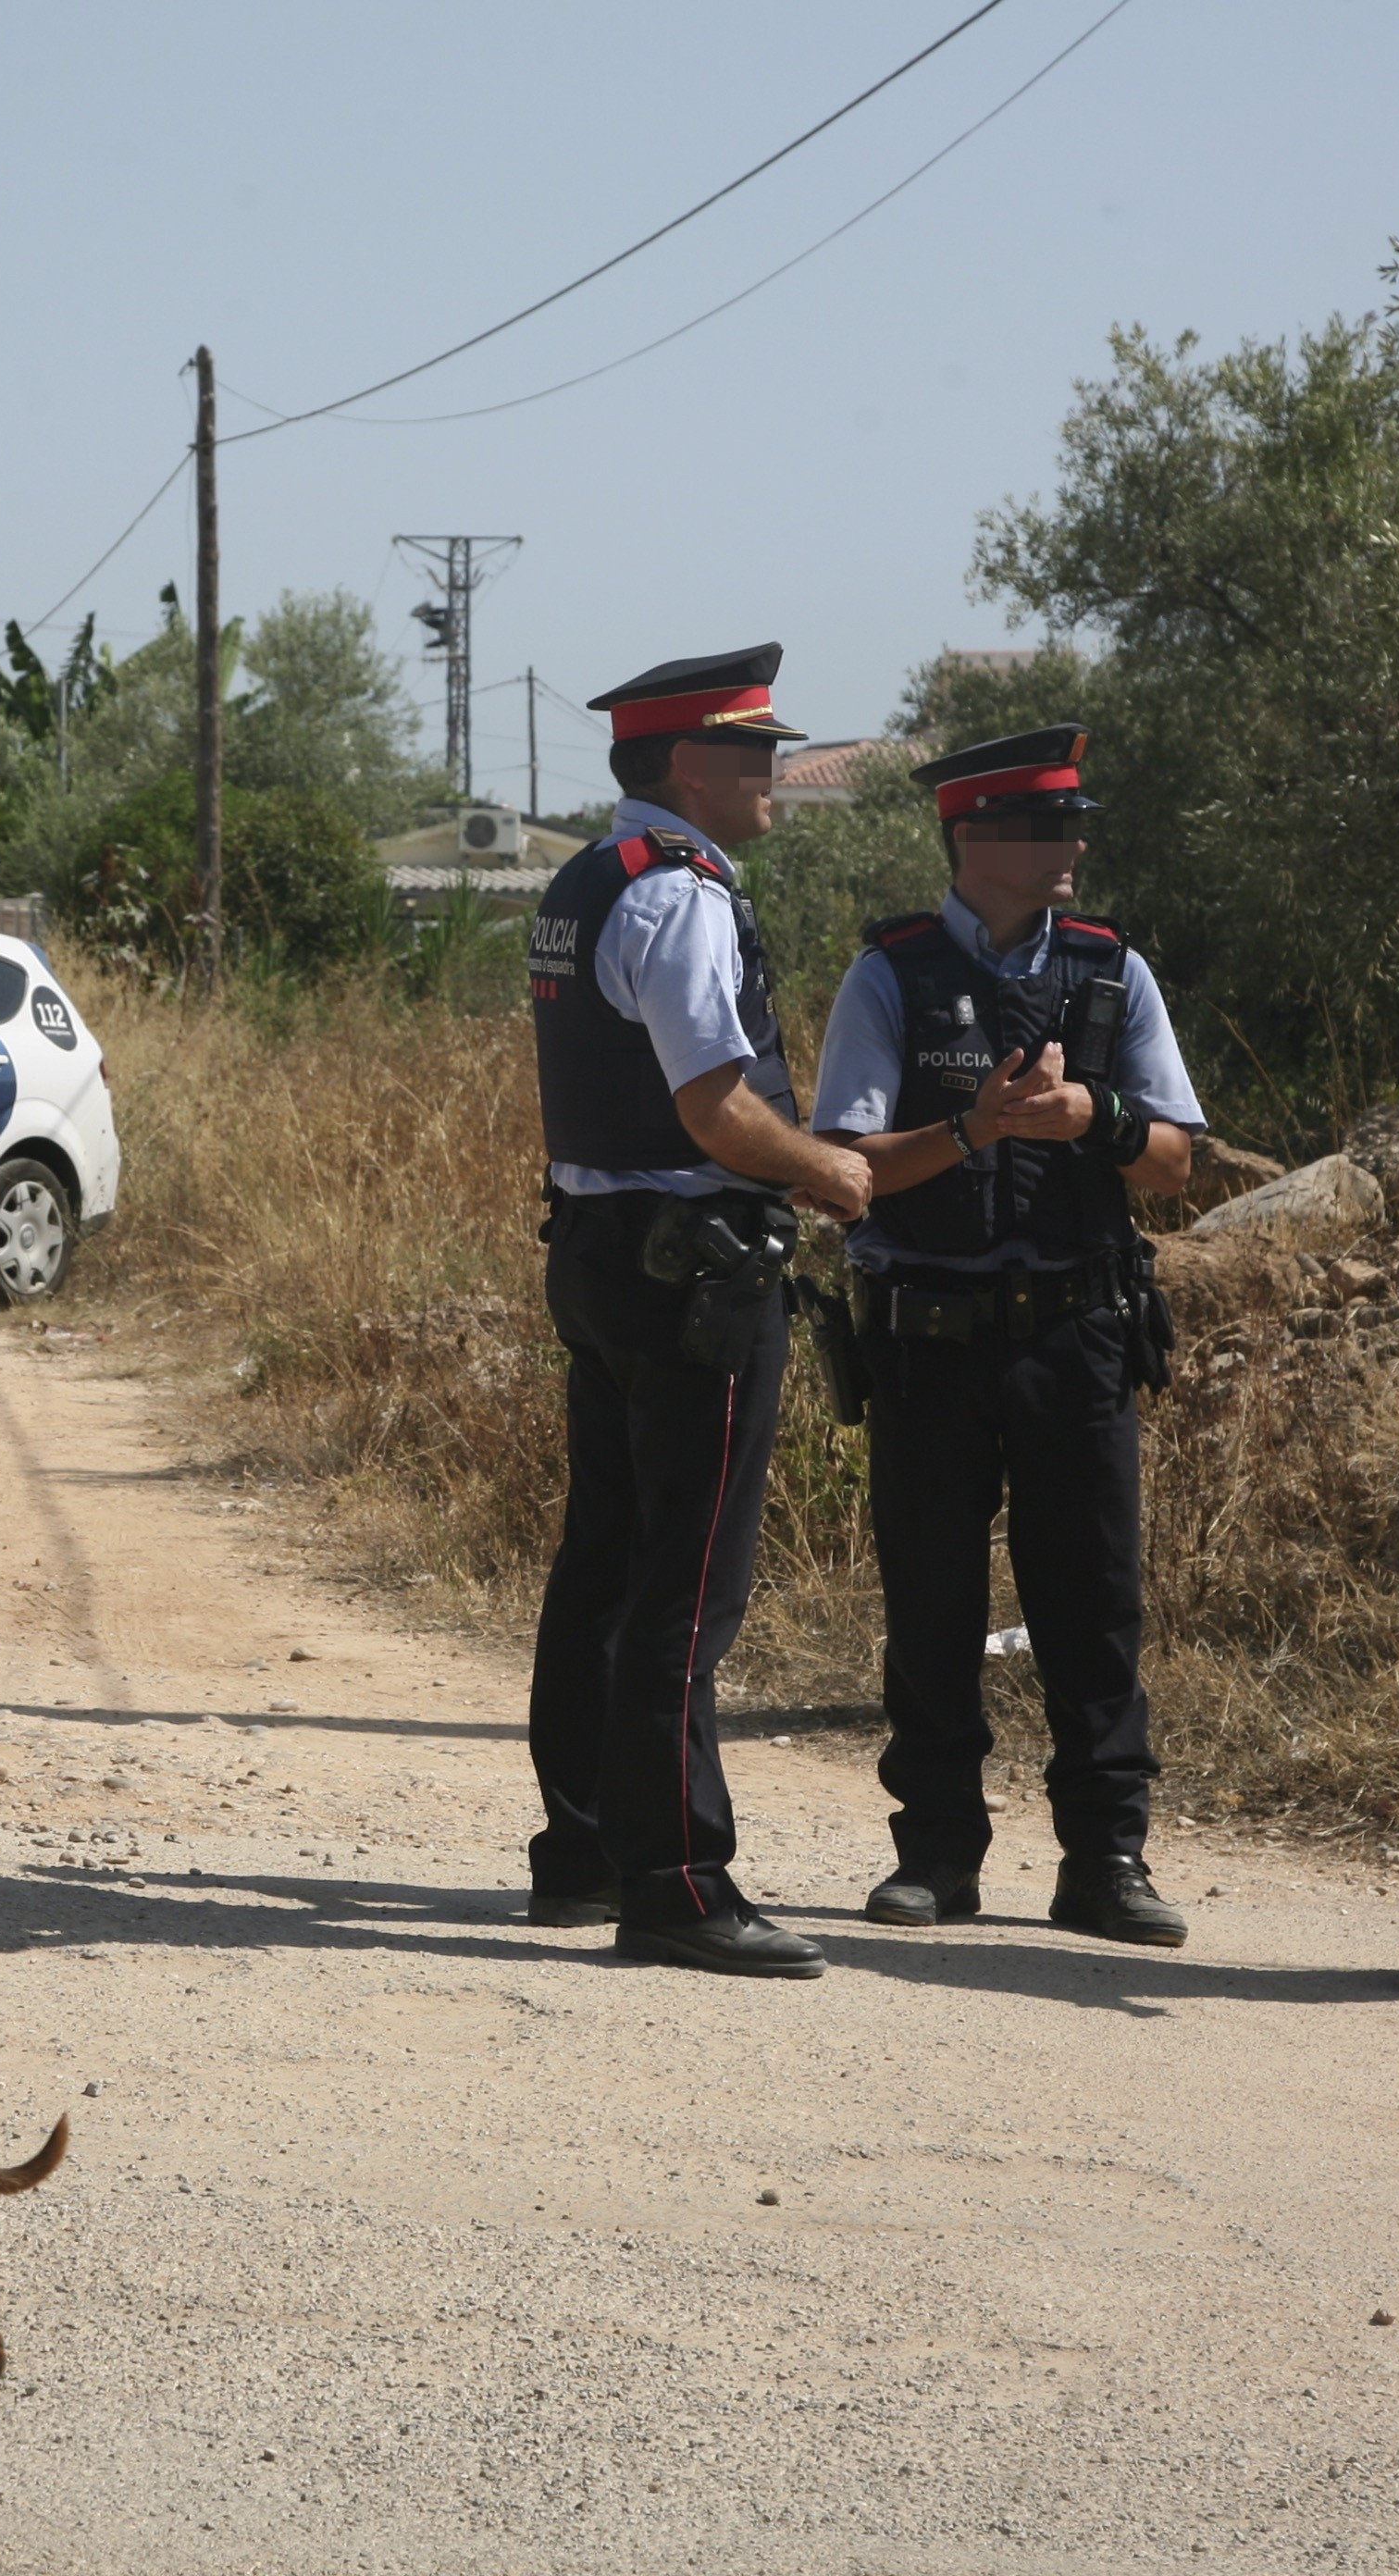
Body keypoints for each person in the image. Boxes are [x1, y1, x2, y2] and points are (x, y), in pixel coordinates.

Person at [810, 727, 1203, 1945]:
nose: (1073, 846)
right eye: (1047, 827)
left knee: (1092, 1608)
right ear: (973, 837)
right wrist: (974, 1132)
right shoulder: (892, 974)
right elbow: (846, 1166)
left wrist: (1098, 1118)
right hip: (926, 1338)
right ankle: (935, 1856)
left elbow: (1178, 1165)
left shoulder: (1110, 970)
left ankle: (1107, 1861)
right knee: (931, 1604)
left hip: (1077, 1335)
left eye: (1076, 825)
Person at [523, 644, 875, 1978]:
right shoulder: (682, 899)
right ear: (686, 767)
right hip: (695, 1268)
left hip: (605, 1249)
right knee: (690, 1580)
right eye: (753, 752)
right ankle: (675, 1881)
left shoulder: (585, 877)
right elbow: (716, 1110)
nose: (775, 772)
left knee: (607, 1559)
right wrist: (829, 1168)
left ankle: (585, 1850)